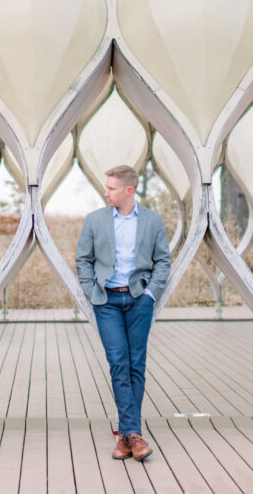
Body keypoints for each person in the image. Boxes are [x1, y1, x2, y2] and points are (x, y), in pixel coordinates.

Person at [75, 165, 171, 461]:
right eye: (106, 187)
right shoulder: (95, 220)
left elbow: (163, 261)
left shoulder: (152, 221)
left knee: (135, 366)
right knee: (119, 363)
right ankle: (134, 435)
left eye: (112, 188)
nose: (106, 193)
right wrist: (93, 292)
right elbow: (83, 260)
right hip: (107, 302)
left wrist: (150, 294)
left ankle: (126, 437)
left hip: (139, 300)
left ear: (129, 191)